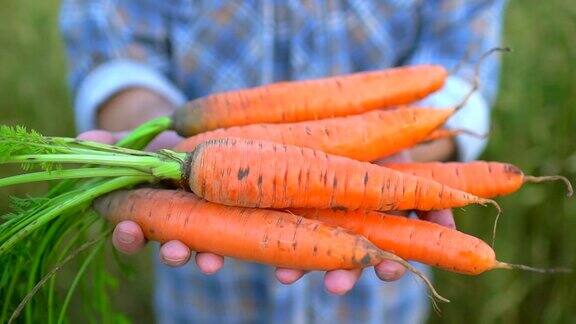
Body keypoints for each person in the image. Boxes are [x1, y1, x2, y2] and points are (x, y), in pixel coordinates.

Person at [59, 1, 506, 322]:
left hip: (379, 301)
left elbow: (461, 67)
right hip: (208, 287)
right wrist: (154, 136)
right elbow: (112, 55)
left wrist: (395, 164)